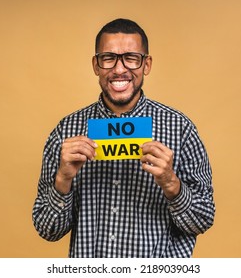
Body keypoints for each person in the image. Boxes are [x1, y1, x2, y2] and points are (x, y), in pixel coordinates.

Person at [32, 18, 215, 258]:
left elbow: (202, 221)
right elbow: (48, 230)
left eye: (131, 58)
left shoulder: (180, 129)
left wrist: (172, 183)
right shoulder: (67, 131)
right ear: (96, 65)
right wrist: (63, 179)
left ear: (146, 64)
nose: (119, 69)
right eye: (108, 58)